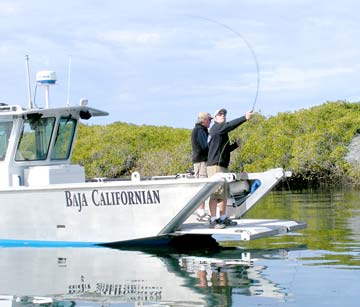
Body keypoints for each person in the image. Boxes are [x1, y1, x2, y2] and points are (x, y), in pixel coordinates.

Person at [207, 108, 253, 228]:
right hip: (215, 167)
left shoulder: (222, 132)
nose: (223, 115)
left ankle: (222, 218)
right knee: (215, 194)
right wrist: (245, 117)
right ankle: (213, 221)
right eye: (220, 114)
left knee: (224, 194)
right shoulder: (217, 128)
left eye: (224, 114)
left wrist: (235, 145)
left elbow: (225, 150)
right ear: (215, 119)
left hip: (222, 166)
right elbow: (230, 125)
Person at [191, 111, 212, 221]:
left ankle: (202, 212)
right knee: (202, 186)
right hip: (201, 162)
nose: (210, 122)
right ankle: (200, 213)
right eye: (209, 120)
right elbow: (205, 146)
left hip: (202, 162)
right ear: (204, 120)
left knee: (203, 185)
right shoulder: (200, 130)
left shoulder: (200, 130)